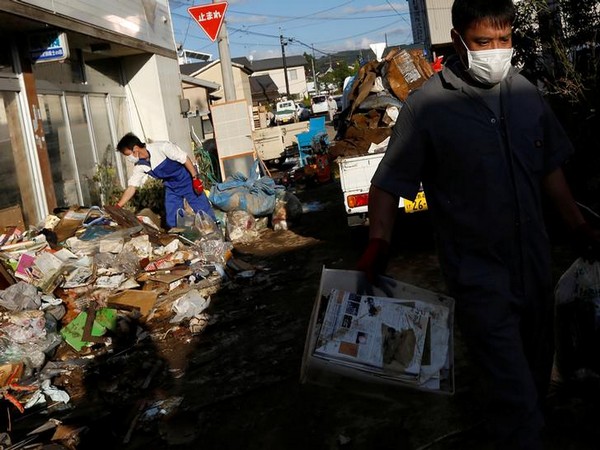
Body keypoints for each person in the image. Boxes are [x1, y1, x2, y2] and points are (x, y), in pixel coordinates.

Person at [356, 0, 600, 449]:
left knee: (534, 374)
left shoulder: (527, 95)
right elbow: (388, 184)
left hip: (534, 268)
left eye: (503, 40)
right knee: (512, 393)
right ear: (458, 41)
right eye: (483, 42)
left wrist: (579, 226)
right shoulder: (427, 107)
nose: (496, 51)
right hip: (478, 276)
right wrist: (379, 241)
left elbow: (550, 170)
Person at [115, 132, 216, 229]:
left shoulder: (162, 147)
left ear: (135, 148)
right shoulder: (140, 166)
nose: (128, 158)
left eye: (127, 154)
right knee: (173, 218)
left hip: (187, 180)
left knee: (203, 210)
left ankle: (215, 231)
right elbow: (132, 187)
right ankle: (185, 237)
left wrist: (195, 178)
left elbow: (184, 158)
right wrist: (118, 206)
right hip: (171, 187)